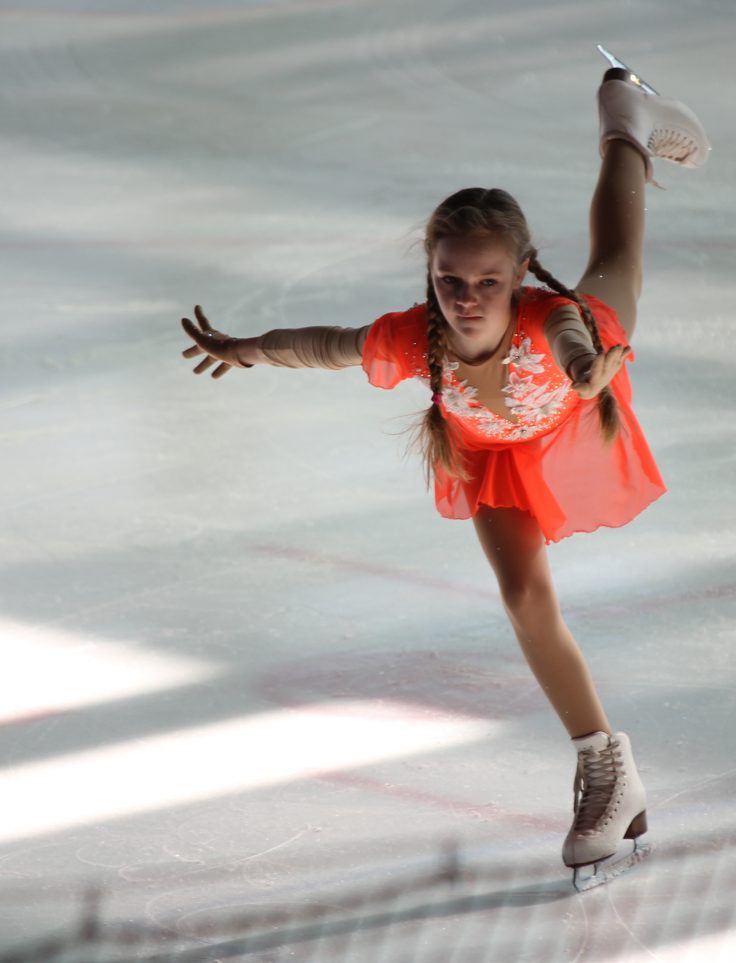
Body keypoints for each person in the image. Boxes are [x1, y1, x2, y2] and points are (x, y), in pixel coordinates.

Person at [181, 56, 709, 884]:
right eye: (450, 280)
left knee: (619, 251)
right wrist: (247, 349)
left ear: (518, 274)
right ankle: (607, 766)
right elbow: (325, 345)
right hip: (493, 452)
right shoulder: (412, 337)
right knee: (523, 599)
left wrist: (584, 368)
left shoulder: (552, 318)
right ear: (430, 274)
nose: (466, 297)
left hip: (575, 376)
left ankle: (625, 125)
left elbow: (576, 349)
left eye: (488, 281)